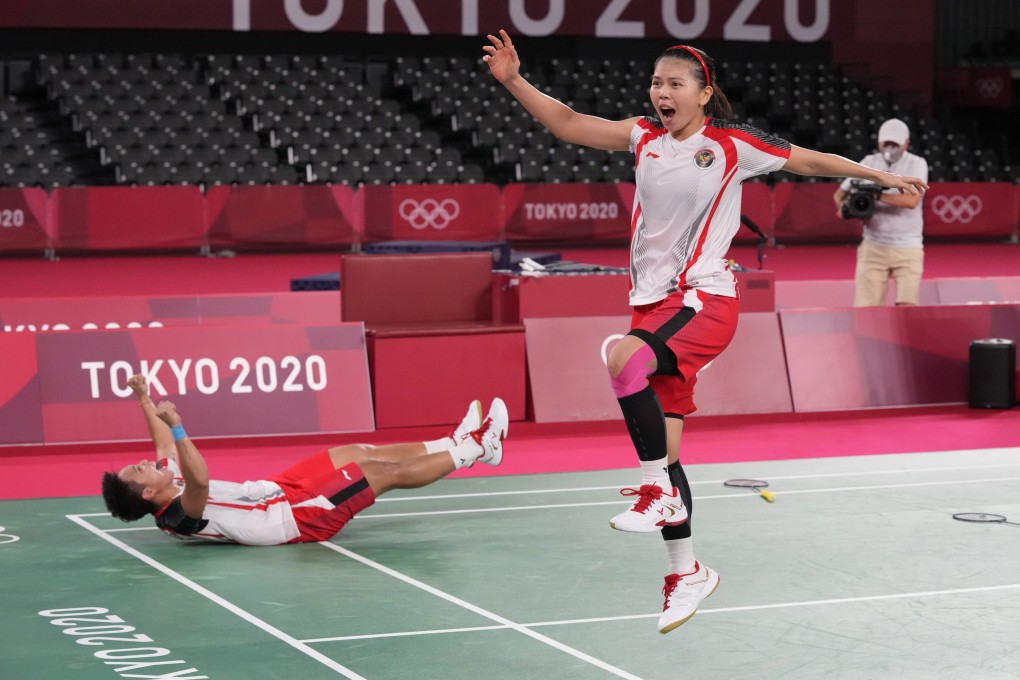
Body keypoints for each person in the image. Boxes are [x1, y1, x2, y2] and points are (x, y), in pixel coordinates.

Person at [482, 30, 927, 634]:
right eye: (657, 83)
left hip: (705, 298)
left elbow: (809, 158)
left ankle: (652, 489)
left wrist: (878, 179)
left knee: (621, 359)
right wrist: (511, 79)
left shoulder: (731, 143)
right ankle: (685, 570)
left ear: (704, 93)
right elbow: (567, 122)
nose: (662, 92)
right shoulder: (643, 135)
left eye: (674, 84)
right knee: (667, 451)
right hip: (652, 305)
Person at [102, 375, 508, 545]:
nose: (145, 461)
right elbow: (201, 481)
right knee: (381, 473)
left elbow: (165, 451)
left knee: (358, 452)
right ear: (150, 492)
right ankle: (478, 448)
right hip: (294, 516)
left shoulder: (162, 485)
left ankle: (450, 440)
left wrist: (143, 397)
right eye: (139, 469)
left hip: (275, 489)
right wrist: (177, 425)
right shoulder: (178, 513)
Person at [833, 118, 929, 307]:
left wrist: (876, 196)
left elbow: (911, 200)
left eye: (895, 144)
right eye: (886, 143)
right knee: (866, 310)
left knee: (907, 310)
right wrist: (844, 207)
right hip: (873, 247)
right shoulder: (869, 162)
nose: (890, 148)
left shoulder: (917, 164)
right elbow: (839, 193)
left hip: (908, 248)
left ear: (906, 144)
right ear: (878, 142)